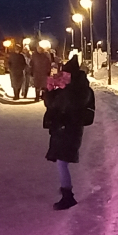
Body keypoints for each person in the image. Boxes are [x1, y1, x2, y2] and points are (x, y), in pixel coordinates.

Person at [43, 56, 95, 210]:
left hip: (70, 129)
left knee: (62, 161)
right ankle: (66, 190)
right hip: (61, 129)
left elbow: (72, 105)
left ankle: (68, 195)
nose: (63, 77)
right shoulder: (69, 88)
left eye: (66, 74)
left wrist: (64, 89)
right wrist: (50, 90)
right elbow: (52, 105)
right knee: (61, 161)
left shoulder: (81, 89)